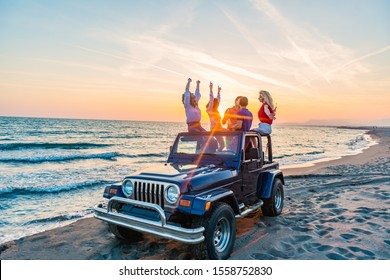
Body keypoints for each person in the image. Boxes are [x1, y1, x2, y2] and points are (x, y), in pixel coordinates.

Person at [206, 82, 225, 151]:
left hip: (219, 128)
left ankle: (218, 153)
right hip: (214, 129)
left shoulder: (216, 110)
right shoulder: (210, 111)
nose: (218, 104)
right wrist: (211, 89)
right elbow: (211, 100)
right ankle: (216, 153)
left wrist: (218, 92)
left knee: (223, 145)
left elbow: (218, 100)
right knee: (222, 145)